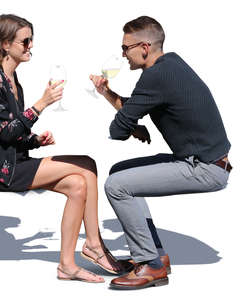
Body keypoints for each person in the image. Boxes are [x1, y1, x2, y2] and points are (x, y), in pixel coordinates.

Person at [0, 14, 125, 283]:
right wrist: (41, 105)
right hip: (0, 171)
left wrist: (35, 141)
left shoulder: (11, 80)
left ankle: (67, 265)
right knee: (87, 164)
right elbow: (6, 134)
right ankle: (93, 245)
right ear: (5, 44)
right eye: (25, 40)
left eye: (31, 39)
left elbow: (12, 133)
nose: (31, 45)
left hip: (14, 162)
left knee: (78, 184)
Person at [90, 16, 232, 290]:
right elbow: (139, 106)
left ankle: (150, 266)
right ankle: (158, 255)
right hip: (205, 160)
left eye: (125, 48)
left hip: (204, 168)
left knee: (116, 186)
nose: (122, 54)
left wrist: (132, 126)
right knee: (120, 172)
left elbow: (119, 129)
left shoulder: (155, 76)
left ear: (144, 47)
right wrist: (108, 94)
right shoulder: (170, 64)